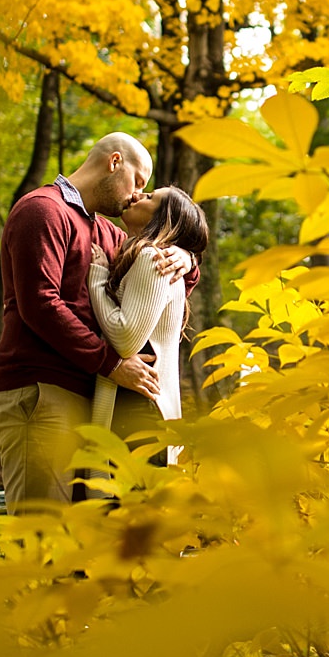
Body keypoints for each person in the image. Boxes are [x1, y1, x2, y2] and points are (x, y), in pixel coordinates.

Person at [0, 132, 195, 513]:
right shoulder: (43, 210)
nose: (136, 195)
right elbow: (40, 303)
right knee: (42, 536)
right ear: (115, 162)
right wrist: (111, 364)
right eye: (138, 182)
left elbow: (154, 276)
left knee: (84, 547)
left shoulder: (104, 232)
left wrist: (185, 257)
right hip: (41, 391)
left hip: (88, 398)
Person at [86, 186, 210, 469]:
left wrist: (97, 276)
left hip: (138, 411)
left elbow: (125, 338)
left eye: (150, 197)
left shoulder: (153, 259)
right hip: (139, 409)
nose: (137, 196)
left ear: (164, 220)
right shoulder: (150, 257)